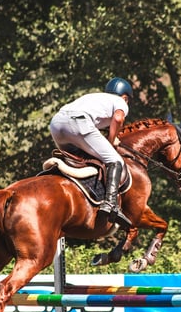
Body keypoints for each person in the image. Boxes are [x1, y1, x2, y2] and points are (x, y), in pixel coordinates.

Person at [49, 77, 133, 228]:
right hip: (78, 123)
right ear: (125, 97)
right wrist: (111, 139)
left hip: (56, 124)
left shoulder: (94, 97)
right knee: (116, 160)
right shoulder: (121, 102)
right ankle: (110, 204)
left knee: (79, 160)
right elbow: (119, 119)